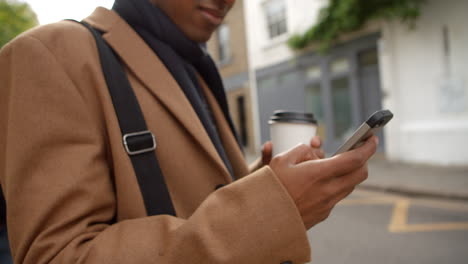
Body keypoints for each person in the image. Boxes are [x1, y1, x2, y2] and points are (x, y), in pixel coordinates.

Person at [0, 0, 378, 263]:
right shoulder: (49, 52)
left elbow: (193, 196)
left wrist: (260, 183)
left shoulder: (193, 66)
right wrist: (271, 209)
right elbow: (58, 255)